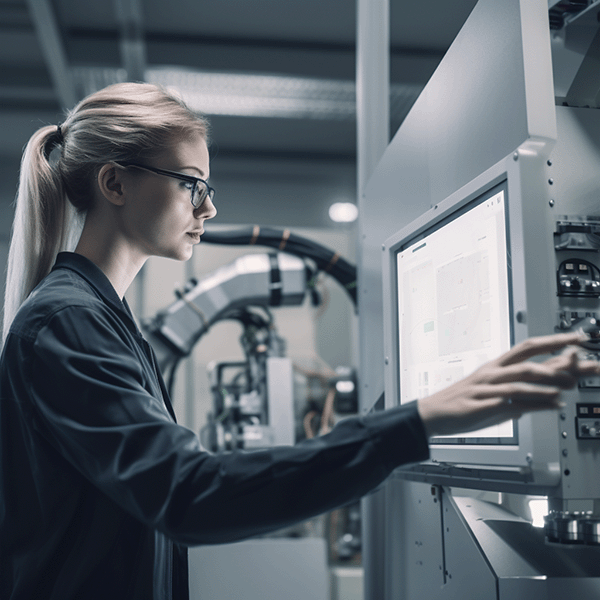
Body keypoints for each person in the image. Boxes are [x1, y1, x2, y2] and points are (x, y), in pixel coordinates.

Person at [0, 82, 597, 600]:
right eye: (191, 183)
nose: (209, 206)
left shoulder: (103, 319)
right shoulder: (67, 323)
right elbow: (188, 495)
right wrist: (416, 422)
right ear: (115, 183)